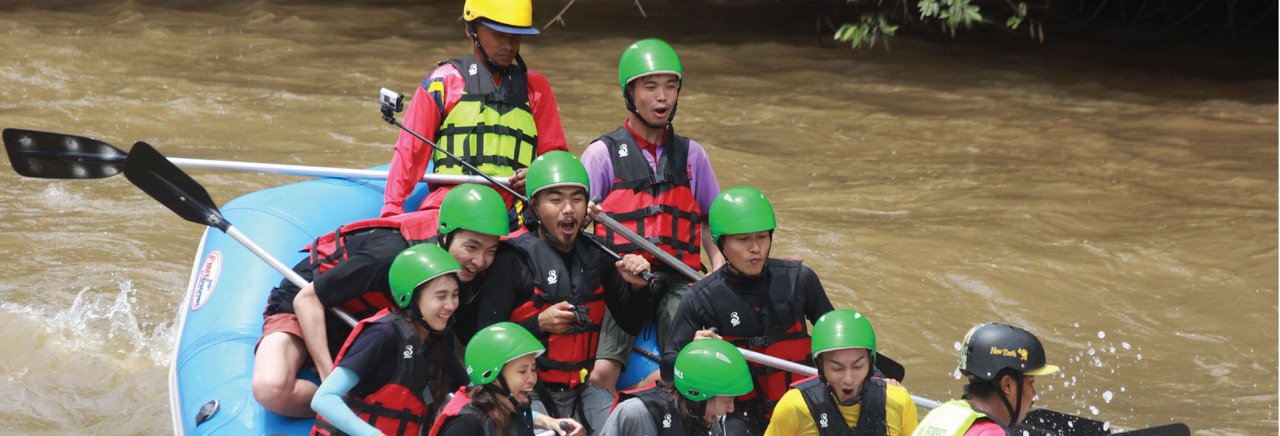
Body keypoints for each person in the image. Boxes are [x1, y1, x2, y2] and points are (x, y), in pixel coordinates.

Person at [253, 183, 508, 417]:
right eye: (472, 247)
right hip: (309, 305)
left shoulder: (462, 268)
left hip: (372, 325)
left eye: (491, 251)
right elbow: (307, 300)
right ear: (446, 234)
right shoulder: (388, 255)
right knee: (271, 389)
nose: (480, 261)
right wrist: (330, 381)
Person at [468, 151, 656, 433]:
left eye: (577, 199)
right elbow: (484, 339)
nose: (568, 209)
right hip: (526, 391)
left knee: (639, 423)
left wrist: (638, 289)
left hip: (583, 388)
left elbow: (629, 322)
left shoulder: (598, 255)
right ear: (534, 206)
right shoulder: (513, 260)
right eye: (555, 200)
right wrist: (539, 325)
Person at [583, 38, 724, 394]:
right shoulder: (602, 154)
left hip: (678, 274)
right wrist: (583, 213)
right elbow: (573, 218)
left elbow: (710, 220)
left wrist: (719, 269)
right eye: (650, 87)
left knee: (686, 364)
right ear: (630, 93)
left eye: (670, 86)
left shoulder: (693, 156)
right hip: (624, 274)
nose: (662, 97)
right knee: (601, 372)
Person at [662, 186, 835, 435]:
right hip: (739, 410)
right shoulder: (700, 298)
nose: (755, 248)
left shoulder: (801, 280)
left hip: (800, 400)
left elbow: (838, 342)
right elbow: (669, 368)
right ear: (721, 243)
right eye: (743, 240)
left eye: (762, 237)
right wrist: (693, 351)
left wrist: (880, 380)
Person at [381, 0, 568, 219]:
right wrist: (392, 209)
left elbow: (556, 159)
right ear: (472, 30)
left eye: (515, 37)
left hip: (514, 211)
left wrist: (537, 175)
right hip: (450, 205)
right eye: (499, 35)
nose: (509, 45)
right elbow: (409, 153)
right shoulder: (442, 82)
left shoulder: (536, 88)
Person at [310, 244, 469, 436]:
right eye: (441, 296)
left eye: (455, 295)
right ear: (410, 297)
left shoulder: (436, 340)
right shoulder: (383, 335)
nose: (451, 305)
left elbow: (466, 391)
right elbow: (324, 398)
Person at [765, 310, 919, 436]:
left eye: (858, 366)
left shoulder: (899, 401)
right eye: (837, 368)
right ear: (820, 365)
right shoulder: (793, 406)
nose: (848, 379)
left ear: (870, 363)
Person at [431, 322, 584, 436]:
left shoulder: (509, 410)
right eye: (522, 371)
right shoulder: (466, 425)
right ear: (491, 377)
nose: (532, 379)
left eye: (533, 369)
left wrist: (552, 422)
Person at [912, 323, 1060, 436]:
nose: (1034, 393)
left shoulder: (942, 412)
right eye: (1031, 383)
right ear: (1007, 385)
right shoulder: (990, 433)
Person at [598, 338, 752, 435]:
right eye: (728, 400)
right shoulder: (634, 413)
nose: (731, 408)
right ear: (697, 393)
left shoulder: (708, 423)